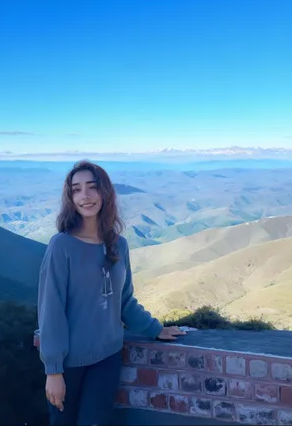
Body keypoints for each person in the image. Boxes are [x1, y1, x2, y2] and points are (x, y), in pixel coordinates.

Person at [37, 160, 185, 425]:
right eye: (77, 189)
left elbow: (124, 299)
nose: (85, 196)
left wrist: (155, 329)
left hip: (108, 358)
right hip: (69, 365)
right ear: (70, 198)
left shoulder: (119, 245)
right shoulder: (61, 246)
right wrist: (54, 371)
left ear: (105, 193)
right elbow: (51, 309)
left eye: (92, 187)